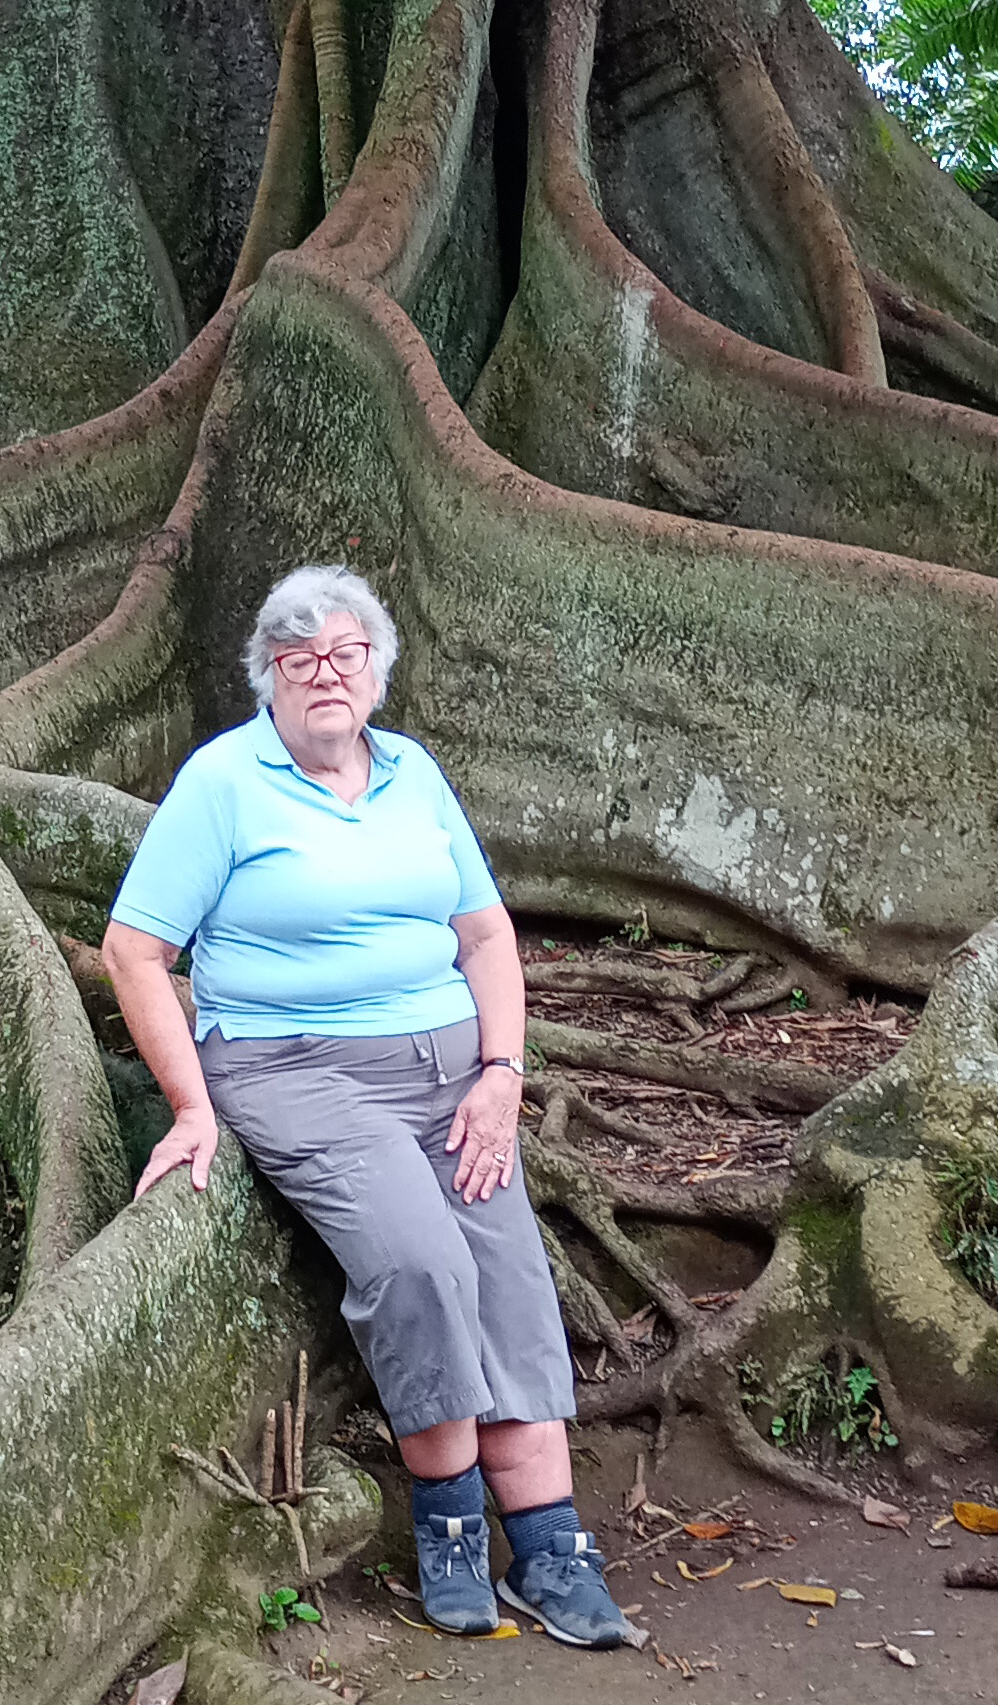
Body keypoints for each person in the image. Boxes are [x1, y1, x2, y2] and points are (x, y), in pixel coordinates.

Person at [98, 564, 636, 1648]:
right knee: (421, 1264)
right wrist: (193, 1108)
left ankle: (548, 1545)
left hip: (450, 1072)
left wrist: (502, 1073)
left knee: (511, 1282)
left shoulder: (414, 776)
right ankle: (446, 1527)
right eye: (299, 660)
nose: (325, 675)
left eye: (346, 654)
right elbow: (133, 949)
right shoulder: (225, 784)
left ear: (377, 670)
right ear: (269, 681)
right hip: (296, 1070)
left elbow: (485, 937)